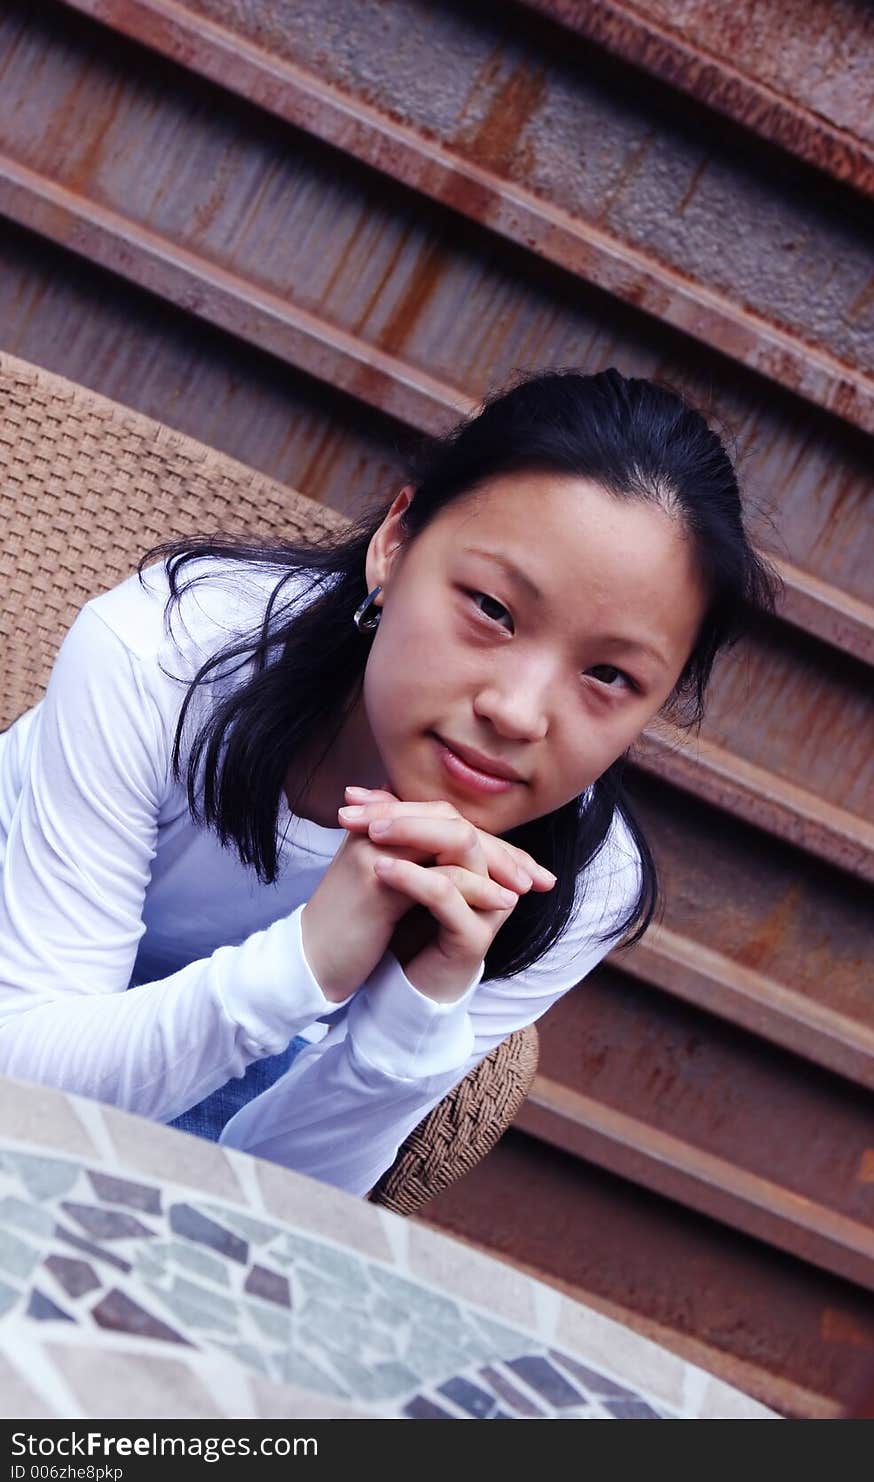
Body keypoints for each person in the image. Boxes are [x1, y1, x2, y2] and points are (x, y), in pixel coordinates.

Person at [0, 368, 781, 1197]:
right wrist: (303, 961)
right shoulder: (164, 654)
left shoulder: (578, 884)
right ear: (396, 545)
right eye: (493, 609)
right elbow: (22, 1092)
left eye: (612, 676)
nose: (518, 712)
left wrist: (415, 1010)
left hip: (219, 1079)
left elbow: (280, 1210)